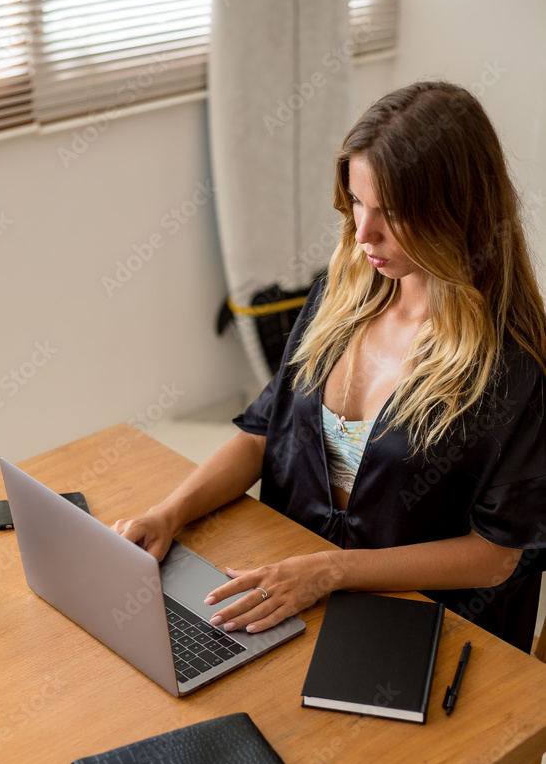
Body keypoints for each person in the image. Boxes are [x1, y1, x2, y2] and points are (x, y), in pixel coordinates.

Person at [113, 80, 546, 653]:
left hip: (409, 622)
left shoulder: (514, 365)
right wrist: (168, 514)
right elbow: (264, 434)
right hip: (288, 583)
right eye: (358, 203)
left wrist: (333, 570)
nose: (363, 233)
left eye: (391, 212)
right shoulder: (339, 296)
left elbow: (495, 556)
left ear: (457, 210)